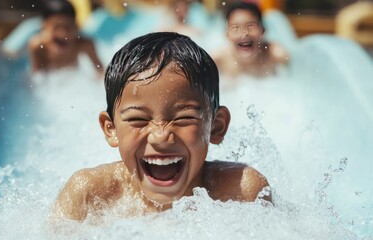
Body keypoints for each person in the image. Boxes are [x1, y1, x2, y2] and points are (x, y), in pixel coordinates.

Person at [52, 32, 271, 224]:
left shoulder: (241, 193)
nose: (160, 136)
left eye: (183, 117)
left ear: (216, 126)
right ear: (111, 129)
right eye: (138, 119)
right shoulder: (90, 196)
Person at [214, 1, 288, 79]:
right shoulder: (219, 59)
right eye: (235, 28)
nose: (244, 33)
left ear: (262, 30)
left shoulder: (276, 56)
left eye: (250, 26)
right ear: (227, 34)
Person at [28, 0, 103, 75]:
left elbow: (100, 71)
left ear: (76, 27)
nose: (63, 34)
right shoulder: (39, 46)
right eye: (56, 27)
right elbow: (37, 77)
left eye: (68, 27)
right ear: (44, 27)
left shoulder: (84, 44)